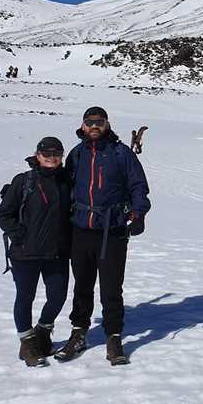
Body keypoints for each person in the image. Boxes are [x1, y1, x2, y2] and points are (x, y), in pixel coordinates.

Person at [55, 107, 151, 365]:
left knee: (111, 288)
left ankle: (114, 337)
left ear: (107, 124)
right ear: (83, 125)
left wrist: (138, 214)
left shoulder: (121, 154)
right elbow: (63, 186)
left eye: (99, 122)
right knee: (82, 286)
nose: (94, 126)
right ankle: (79, 333)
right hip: (81, 229)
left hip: (113, 231)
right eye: (90, 122)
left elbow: (138, 186)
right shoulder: (77, 154)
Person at [0, 137, 72, 367]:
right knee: (25, 297)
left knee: (57, 297)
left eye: (57, 154)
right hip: (25, 253)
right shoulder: (24, 181)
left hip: (56, 252)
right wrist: (20, 236)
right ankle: (27, 344)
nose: (52, 158)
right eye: (46, 154)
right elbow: (4, 214)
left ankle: (43, 332)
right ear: (37, 155)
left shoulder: (66, 181)